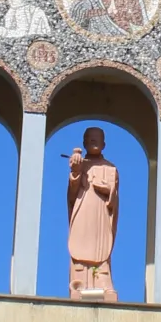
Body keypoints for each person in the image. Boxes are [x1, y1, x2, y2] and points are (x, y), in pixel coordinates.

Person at [67, 126, 119, 299]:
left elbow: (114, 199)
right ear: (84, 142)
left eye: (97, 139)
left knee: (101, 247)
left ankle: (102, 281)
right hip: (83, 211)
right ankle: (79, 281)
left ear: (104, 144)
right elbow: (72, 195)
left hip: (100, 215)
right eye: (90, 139)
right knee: (80, 245)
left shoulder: (111, 168)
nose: (94, 142)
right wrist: (76, 172)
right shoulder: (81, 165)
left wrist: (109, 191)